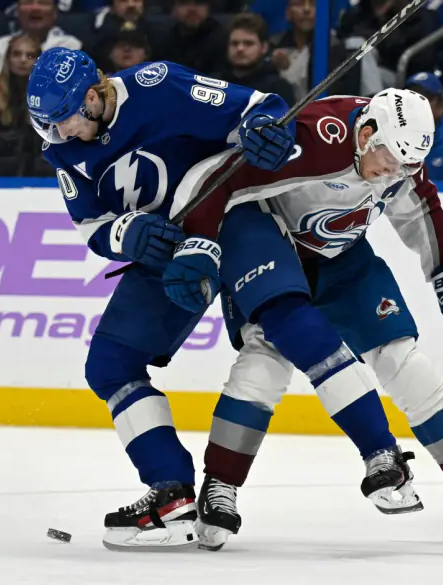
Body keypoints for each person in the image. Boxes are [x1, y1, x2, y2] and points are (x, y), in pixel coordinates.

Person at [27, 48, 414, 551]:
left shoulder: (156, 84)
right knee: (109, 364)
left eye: (66, 120)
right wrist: (128, 232)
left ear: (94, 94)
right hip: (167, 250)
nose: (61, 134)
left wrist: (265, 132)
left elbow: (260, 106)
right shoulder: (62, 149)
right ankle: (171, 496)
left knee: (287, 318)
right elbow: (91, 224)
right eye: (50, 126)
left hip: (232, 217)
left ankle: (381, 454)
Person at [169, 89, 443, 551]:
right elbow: (216, 176)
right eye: (391, 162)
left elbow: (420, 202)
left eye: (408, 165)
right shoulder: (311, 136)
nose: (396, 175)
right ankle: (221, 484)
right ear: (365, 133)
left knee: (403, 360)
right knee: (263, 363)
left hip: (344, 257)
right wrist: (199, 241)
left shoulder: (399, 150)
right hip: (274, 247)